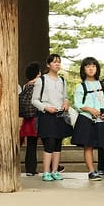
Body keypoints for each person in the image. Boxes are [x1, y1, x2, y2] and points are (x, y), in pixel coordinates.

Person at [31, 54, 72, 182]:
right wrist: (46, 108)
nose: (57, 64)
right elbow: (34, 100)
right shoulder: (41, 80)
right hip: (46, 115)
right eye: (54, 62)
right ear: (48, 65)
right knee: (49, 143)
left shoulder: (62, 80)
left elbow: (65, 96)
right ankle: (46, 172)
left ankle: (55, 171)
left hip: (60, 115)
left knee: (58, 144)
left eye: (59, 62)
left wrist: (66, 102)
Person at [19, 61, 41, 176]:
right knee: (44, 143)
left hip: (27, 118)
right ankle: (52, 166)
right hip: (36, 117)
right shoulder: (39, 83)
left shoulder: (25, 86)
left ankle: (30, 168)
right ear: (38, 73)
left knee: (30, 145)